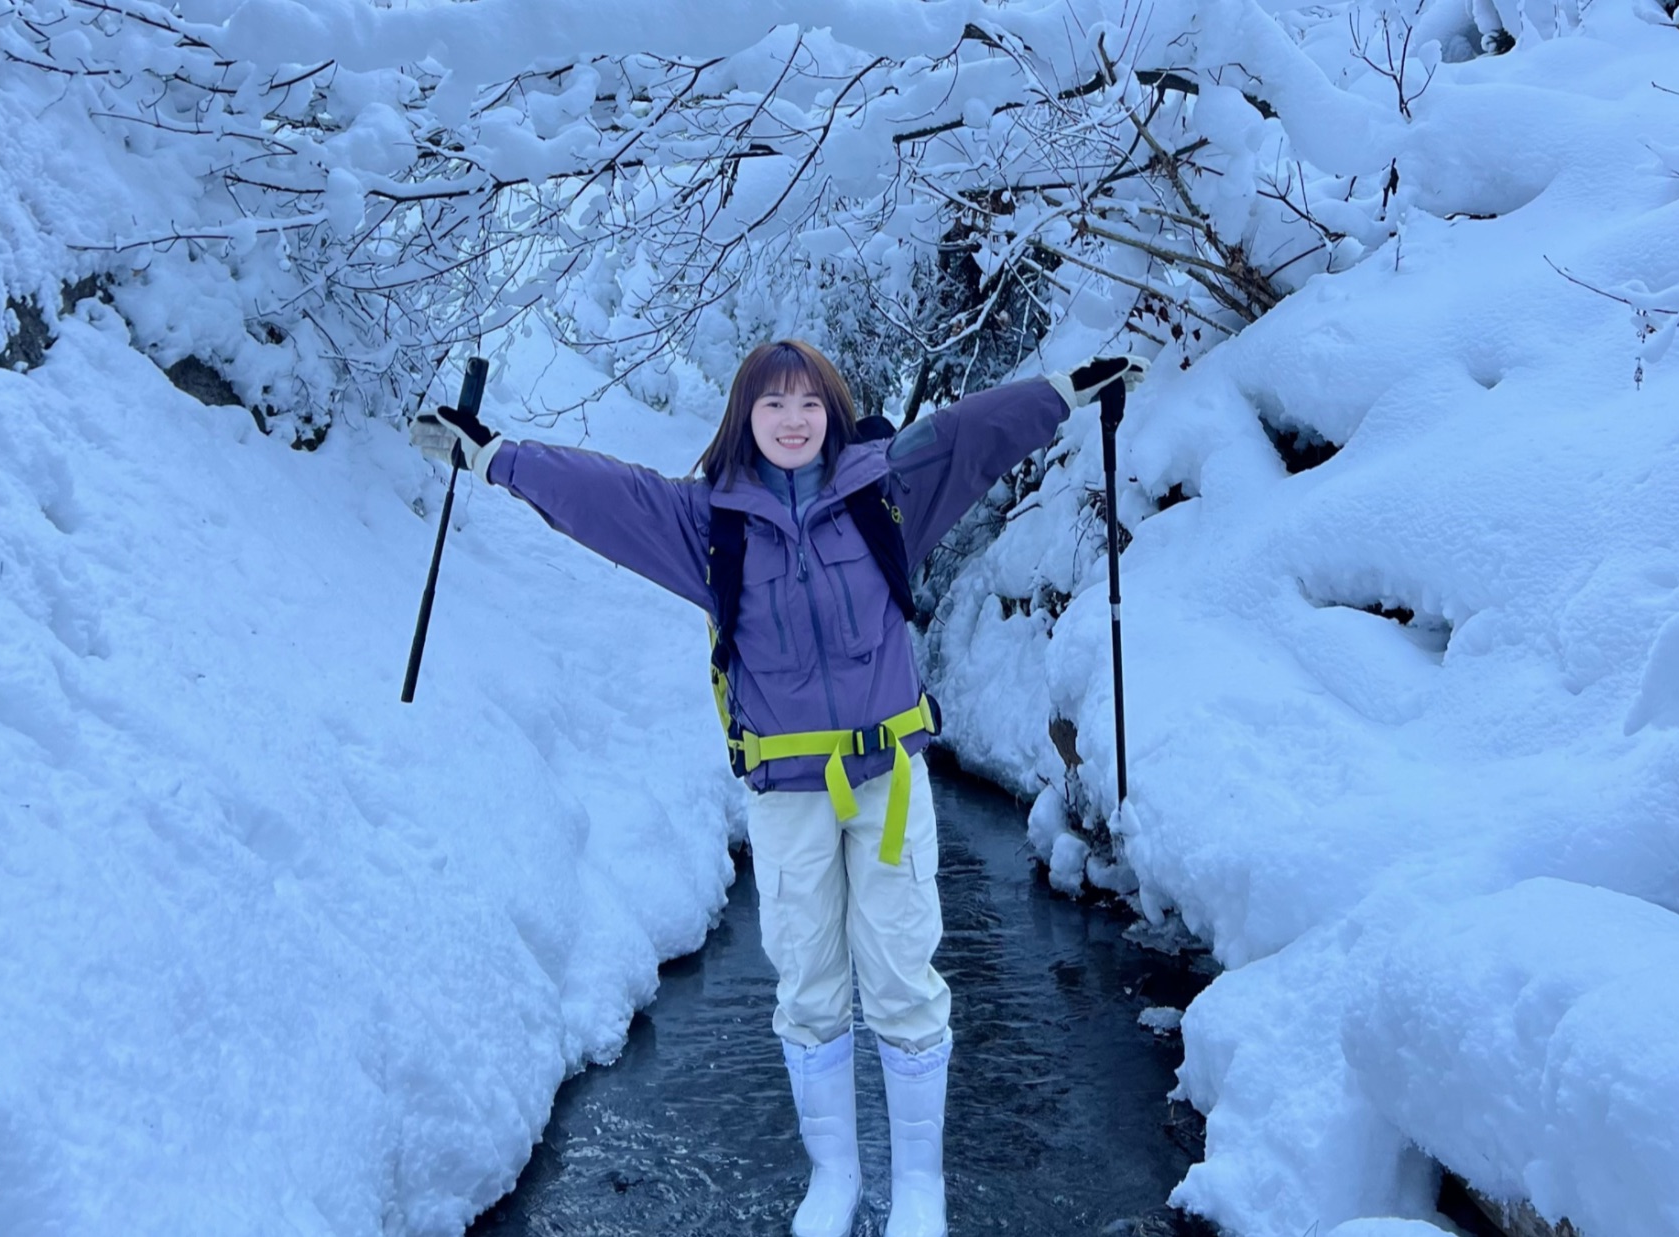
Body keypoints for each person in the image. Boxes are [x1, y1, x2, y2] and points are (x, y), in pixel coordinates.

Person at [410, 341, 1145, 1237]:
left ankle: (919, 1190)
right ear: (743, 418)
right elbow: (601, 496)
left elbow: (969, 434)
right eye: (772, 404)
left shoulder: (885, 490)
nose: (792, 419)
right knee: (807, 980)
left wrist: (1064, 392)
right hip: (785, 788)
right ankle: (833, 1180)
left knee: (904, 977)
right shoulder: (706, 521)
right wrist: (492, 456)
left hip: (890, 783)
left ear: (832, 411)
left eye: (808, 403)